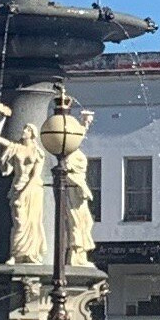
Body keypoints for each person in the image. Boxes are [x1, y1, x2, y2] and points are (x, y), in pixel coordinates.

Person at [0, 103, 46, 265]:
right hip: (17, 185)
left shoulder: (38, 153)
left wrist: (24, 192)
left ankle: (31, 255)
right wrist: (2, 119)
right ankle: (15, 254)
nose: (23, 131)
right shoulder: (15, 148)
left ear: (32, 134)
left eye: (26, 129)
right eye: (23, 129)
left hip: (33, 189)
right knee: (19, 222)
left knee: (33, 222)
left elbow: (36, 175)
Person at [65, 111, 96, 266]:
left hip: (80, 193)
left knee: (86, 222)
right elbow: (66, 174)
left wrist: (85, 123)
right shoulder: (68, 155)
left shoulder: (74, 152)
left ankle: (79, 256)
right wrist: (80, 186)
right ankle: (75, 256)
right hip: (75, 192)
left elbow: (80, 134)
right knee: (76, 222)